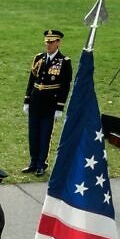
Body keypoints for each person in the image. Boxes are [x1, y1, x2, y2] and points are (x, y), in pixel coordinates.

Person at [21, 29, 72, 177]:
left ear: (58, 43)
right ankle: (33, 161)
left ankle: (41, 164)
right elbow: (32, 80)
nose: (48, 45)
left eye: (51, 42)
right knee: (33, 134)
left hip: (50, 104)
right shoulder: (39, 58)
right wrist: (27, 100)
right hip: (36, 101)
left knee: (45, 135)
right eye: (46, 42)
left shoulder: (64, 62)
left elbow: (65, 86)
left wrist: (59, 107)